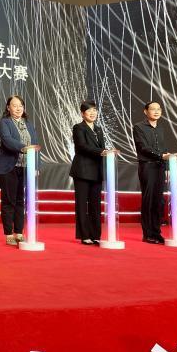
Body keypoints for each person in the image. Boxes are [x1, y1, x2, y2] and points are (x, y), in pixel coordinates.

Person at [0, 95, 39, 246]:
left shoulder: (28, 124)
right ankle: (9, 234)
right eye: (14, 105)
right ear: (8, 108)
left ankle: (19, 233)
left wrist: (36, 166)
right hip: (9, 167)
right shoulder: (5, 122)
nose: (18, 108)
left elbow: (35, 145)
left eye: (20, 105)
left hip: (26, 167)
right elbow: (7, 141)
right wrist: (24, 148)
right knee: (9, 201)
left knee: (21, 201)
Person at [132, 101, 170, 244]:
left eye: (159, 109)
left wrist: (167, 167)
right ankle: (147, 234)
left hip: (160, 167)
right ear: (145, 111)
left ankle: (156, 232)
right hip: (147, 167)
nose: (156, 111)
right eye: (153, 109)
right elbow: (143, 147)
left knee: (158, 201)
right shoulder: (139, 127)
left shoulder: (160, 128)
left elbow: (164, 148)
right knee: (148, 200)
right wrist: (161, 156)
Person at [69, 101, 106, 245]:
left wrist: (105, 152)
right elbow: (82, 146)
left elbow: (102, 147)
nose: (92, 113)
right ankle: (84, 235)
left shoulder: (99, 129)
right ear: (83, 113)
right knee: (82, 204)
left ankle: (95, 235)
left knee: (95, 205)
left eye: (94, 110)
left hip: (97, 171)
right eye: (89, 110)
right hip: (82, 170)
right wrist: (102, 151)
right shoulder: (78, 127)